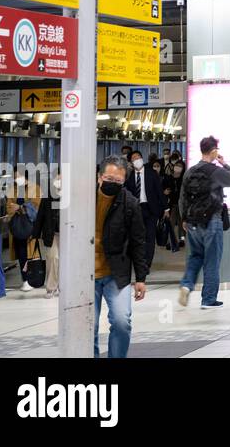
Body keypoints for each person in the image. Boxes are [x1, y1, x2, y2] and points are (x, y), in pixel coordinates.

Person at [91, 156, 149, 358]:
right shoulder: (83, 199)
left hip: (116, 274)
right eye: (109, 178)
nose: (112, 183)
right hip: (86, 275)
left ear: (124, 181)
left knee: (122, 321)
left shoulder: (129, 204)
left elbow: (138, 241)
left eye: (118, 181)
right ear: (99, 177)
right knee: (89, 325)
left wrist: (141, 278)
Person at [177, 135, 230, 309]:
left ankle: (186, 285)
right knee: (212, 259)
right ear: (213, 151)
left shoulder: (190, 171)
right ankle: (208, 299)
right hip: (212, 220)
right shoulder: (215, 171)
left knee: (195, 256)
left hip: (192, 222)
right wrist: (224, 163)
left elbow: (182, 197)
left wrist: (184, 219)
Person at [125, 149, 166, 271]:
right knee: (137, 238)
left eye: (138, 157)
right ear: (131, 162)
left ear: (142, 159)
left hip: (150, 209)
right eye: (133, 159)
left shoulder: (151, 173)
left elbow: (159, 191)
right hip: (135, 210)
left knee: (150, 237)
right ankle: (138, 262)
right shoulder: (129, 176)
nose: (136, 160)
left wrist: (166, 208)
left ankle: (146, 264)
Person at [34, 172, 61, 298]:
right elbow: (41, 215)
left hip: (68, 234)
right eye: (57, 179)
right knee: (52, 258)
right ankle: (51, 287)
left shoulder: (71, 195)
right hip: (51, 233)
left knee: (65, 261)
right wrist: (35, 233)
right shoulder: (48, 195)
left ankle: (63, 286)